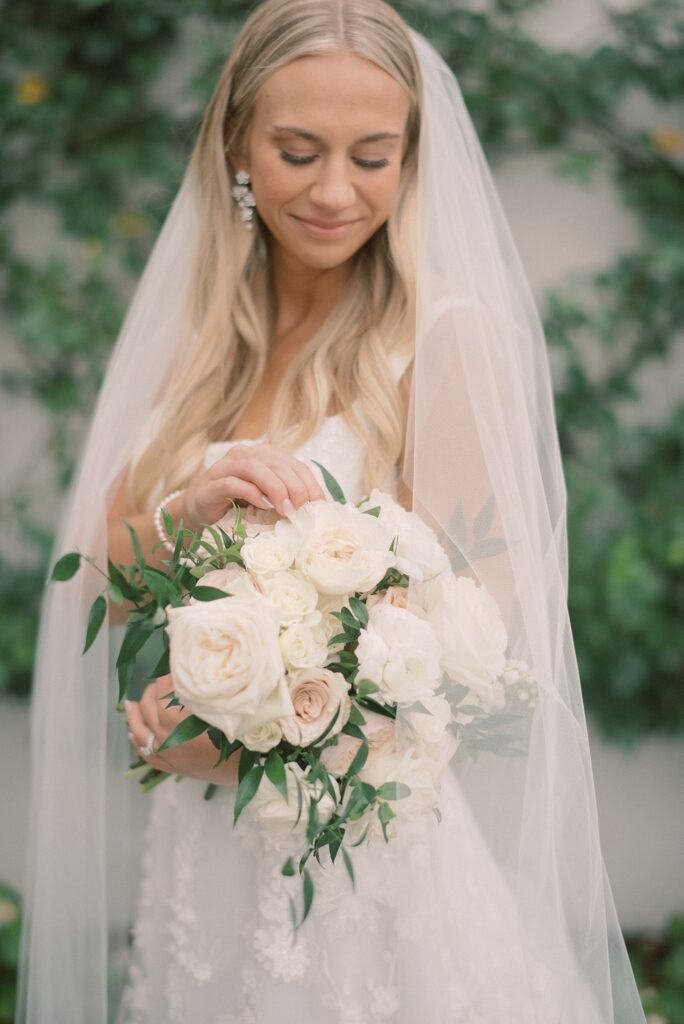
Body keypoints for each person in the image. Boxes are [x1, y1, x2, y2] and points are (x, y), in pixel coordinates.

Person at [16, 1, 648, 1022]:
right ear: (236, 146)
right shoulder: (200, 339)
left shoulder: (444, 341)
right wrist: (188, 516)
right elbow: (101, 579)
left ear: (413, 157)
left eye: (372, 155)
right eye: (298, 150)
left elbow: (467, 658)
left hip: (359, 875)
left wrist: (230, 737)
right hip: (202, 856)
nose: (333, 191)